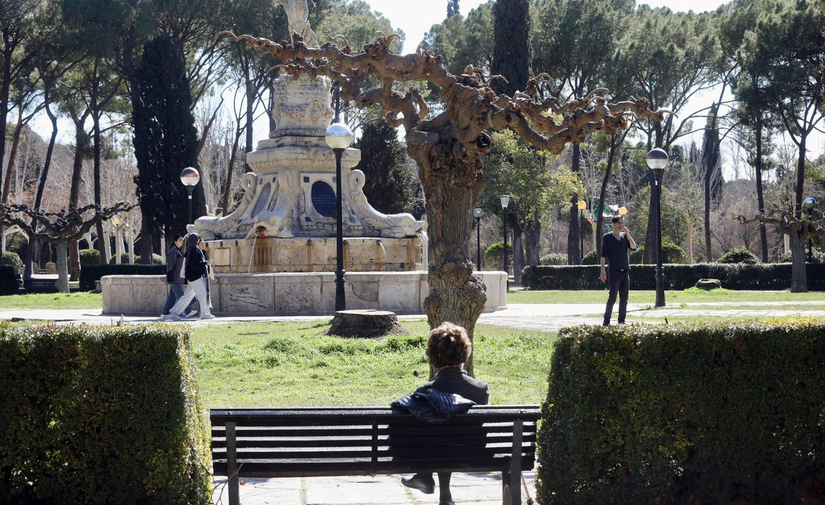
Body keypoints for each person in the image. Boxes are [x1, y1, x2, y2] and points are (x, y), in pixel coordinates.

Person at [398, 322, 489, 505]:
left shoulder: (424, 392)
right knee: (450, 437)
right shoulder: (480, 389)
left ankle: (424, 475)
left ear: (433, 357)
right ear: (464, 353)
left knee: (436, 435)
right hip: (472, 453)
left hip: (435, 452)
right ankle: (444, 495)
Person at [599, 215, 636, 325]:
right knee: (613, 298)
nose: (621, 225)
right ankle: (606, 321)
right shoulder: (608, 237)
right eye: (619, 223)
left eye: (622, 223)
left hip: (625, 271)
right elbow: (603, 255)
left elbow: (633, 247)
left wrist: (628, 235)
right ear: (614, 224)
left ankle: (621, 321)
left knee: (624, 299)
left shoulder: (625, 237)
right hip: (614, 272)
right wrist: (602, 270)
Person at [168, 233, 215, 320]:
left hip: (190, 276)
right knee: (202, 294)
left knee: (188, 296)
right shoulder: (195, 250)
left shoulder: (189, 249)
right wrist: (206, 262)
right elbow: (195, 264)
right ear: (196, 240)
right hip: (195, 276)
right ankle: (205, 313)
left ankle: (175, 311)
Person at [160, 235, 195, 320]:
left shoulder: (178, 251)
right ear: (175, 241)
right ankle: (188, 311)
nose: (181, 242)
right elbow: (170, 265)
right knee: (182, 296)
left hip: (177, 278)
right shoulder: (173, 251)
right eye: (179, 240)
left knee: (172, 297)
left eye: (182, 240)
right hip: (174, 278)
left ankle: (165, 312)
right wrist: (170, 278)